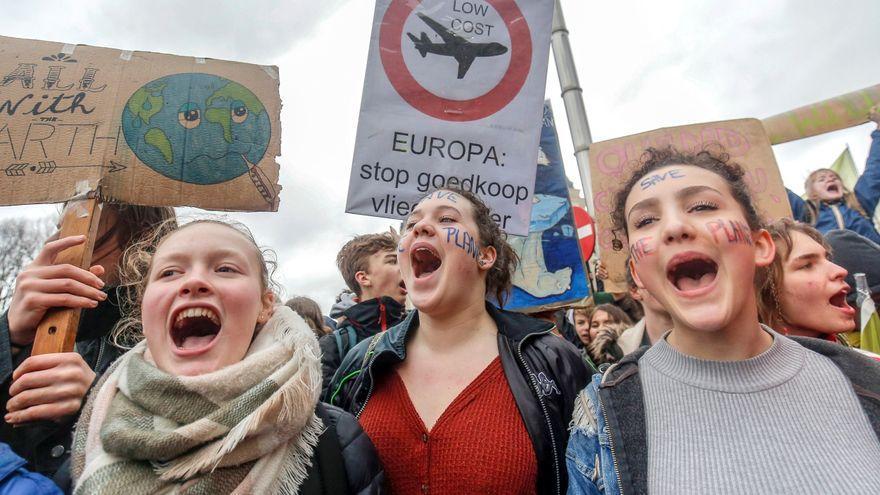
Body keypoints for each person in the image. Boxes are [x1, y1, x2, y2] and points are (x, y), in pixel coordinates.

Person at [567, 146, 880, 494]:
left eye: (702, 206)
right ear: (638, 273)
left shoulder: (864, 377)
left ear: (761, 246)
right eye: (646, 221)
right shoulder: (604, 413)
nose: (674, 227)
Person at [70, 219, 384, 494]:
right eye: (169, 272)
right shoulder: (89, 416)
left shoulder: (338, 440)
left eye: (225, 269)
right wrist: (19, 338)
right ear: (143, 306)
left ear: (265, 306)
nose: (193, 282)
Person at [329, 188, 589, 495]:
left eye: (447, 218)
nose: (420, 228)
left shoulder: (552, 359)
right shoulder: (361, 364)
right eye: (411, 224)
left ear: (485, 255)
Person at [0, 203, 175, 486]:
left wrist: (98, 402)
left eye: (87, 226)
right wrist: (9, 335)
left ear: (144, 239)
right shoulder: (25, 335)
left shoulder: (181, 339)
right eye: (63, 229)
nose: (58, 246)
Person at [319, 232, 407, 398]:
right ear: (364, 278)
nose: (404, 267)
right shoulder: (333, 345)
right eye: (393, 261)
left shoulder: (419, 329)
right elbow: (327, 416)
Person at [787, 106, 880, 243]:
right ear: (812, 192)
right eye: (821, 179)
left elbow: (874, 170)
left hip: (871, 259)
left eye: (834, 177)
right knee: (833, 239)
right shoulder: (807, 213)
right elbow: (777, 189)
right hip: (833, 261)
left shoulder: (858, 203)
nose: (830, 178)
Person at [756, 218, 856, 340]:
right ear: (767, 293)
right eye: (807, 265)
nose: (841, 271)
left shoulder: (861, 358)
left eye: (828, 259)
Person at [617, 255, 673, 355]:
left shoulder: (707, 338)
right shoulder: (623, 346)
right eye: (655, 276)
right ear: (634, 290)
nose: (669, 283)